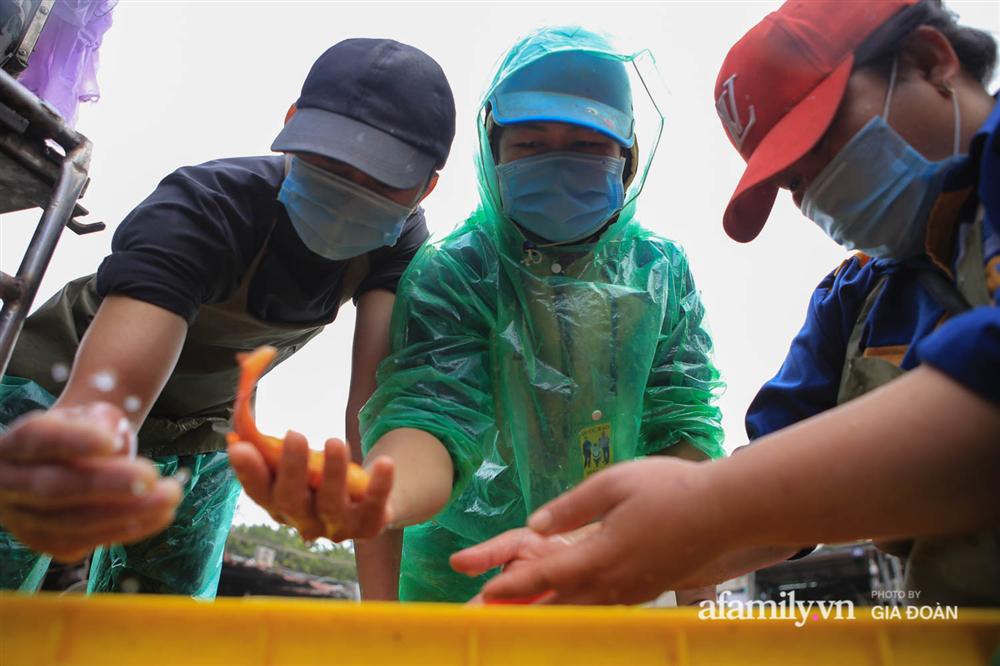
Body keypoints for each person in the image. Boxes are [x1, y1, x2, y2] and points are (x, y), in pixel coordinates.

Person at [461, 0, 1000, 607]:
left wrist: (702, 508)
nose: (819, 191)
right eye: (794, 182)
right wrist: (597, 552)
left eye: (826, 142)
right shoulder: (855, 302)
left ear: (932, 62)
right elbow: (780, 497)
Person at [233, 26, 726, 603]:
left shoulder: (659, 272)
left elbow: (685, 433)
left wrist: (697, 602)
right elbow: (433, 416)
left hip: (621, 564)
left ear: (627, 158)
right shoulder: (457, 272)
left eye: (588, 146)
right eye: (530, 145)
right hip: (464, 587)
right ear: (493, 155)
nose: (557, 163)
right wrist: (380, 497)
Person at [0, 38, 456, 598]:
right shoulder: (206, 205)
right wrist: (80, 442)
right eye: (330, 162)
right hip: (64, 382)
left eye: (381, 180)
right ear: (291, 126)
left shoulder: (398, 242)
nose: (347, 192)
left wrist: (386, 620)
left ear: (425, 187)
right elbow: (109, 394)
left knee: (165, 621)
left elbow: (372, 406)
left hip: (207, 425)